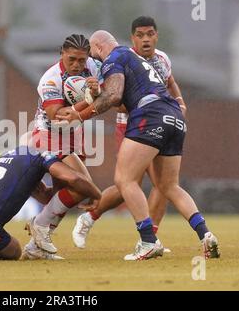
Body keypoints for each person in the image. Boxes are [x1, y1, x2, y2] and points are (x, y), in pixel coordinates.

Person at [57, 30, 220, 260]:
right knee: (169, 186)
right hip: (174, 116)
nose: (91, 60)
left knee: (125, 180)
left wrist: (79, 116)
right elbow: (122, 102)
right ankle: (206, 235)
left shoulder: (113, 58)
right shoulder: (135, 60)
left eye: (92, 53)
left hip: (150, 115)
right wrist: (86, 101)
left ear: (99, 47)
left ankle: (148, 241)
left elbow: (113, 96)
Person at [72, 16, 186, 250]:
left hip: (159, 121)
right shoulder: (118, 59)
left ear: (156, 35)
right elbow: (115, 99)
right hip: (131, 123)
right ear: (132, 38)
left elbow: (171, 82)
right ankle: (89, 218)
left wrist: (180, 102)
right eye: (140, 35)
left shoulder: (162, 58)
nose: (145, 39)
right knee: (128, 183)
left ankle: (150, 239)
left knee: (162, 185)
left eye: (150, 34)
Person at [21, 34, 103, 258]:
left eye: (81, 60)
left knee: (61, 196)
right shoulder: (51, 79)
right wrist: (91, 97)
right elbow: (56, 115)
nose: (77, 65)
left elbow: (105, 94)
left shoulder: (93, 68)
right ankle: (39, 225)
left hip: (74, 135)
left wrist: (98, 92)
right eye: (72, 59)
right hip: (48, 134)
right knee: (82, 187)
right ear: (62, 54)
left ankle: (35, 247)